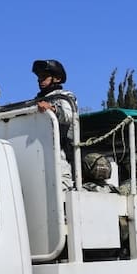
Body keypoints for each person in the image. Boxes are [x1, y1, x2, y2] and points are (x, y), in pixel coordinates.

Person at [31, 59, 79, 190]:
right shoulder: (36, 100)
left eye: (44, 77)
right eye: (39, 77)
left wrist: (53, 109)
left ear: (57, 78)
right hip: (39, 154)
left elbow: (69, 116)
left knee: (61, 191)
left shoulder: (65, 96)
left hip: (61, 155)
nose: (40, 80)